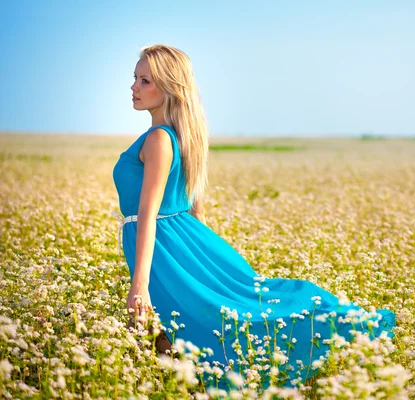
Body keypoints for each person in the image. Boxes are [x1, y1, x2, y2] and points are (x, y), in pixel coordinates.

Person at [112, 44, 396, 389]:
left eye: (145, 81)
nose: (134, 87)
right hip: (177, 246)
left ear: (170, 87)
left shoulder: (158, 138)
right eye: (135, 78)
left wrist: (139, 284)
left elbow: (148, 213)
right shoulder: (180, 136)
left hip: (163, 252)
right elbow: (194, 206)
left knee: (190, 330)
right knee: (177, 335)